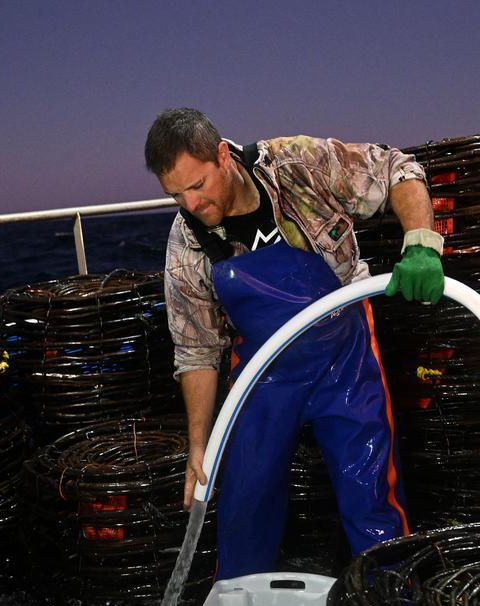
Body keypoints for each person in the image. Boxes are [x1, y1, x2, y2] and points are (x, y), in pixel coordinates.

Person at [143, 108, 444, 580]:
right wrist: (199, 447)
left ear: (223, 155)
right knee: (244, 502)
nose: (191, 203)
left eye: (198, 185)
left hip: (343, 351)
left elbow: (397, 168)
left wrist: (422, 243)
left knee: (370, 494)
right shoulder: (186, 244)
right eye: (176, 195)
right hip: (265, 371)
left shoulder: (295, 165)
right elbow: (197, 349)